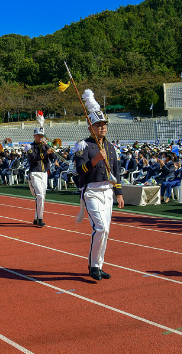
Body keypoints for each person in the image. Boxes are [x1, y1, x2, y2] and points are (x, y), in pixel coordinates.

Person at [75, 89, 123, 281]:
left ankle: (98, 264)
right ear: (90, 128)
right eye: (98, 125)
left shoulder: (110, 147)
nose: (102, 128)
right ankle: (93, 265)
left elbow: (116, 172)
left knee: (107, 231)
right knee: (100, 228)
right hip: (91, 191)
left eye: (104, 125)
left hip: (107, 192)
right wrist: (95, 160)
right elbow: (79, 170)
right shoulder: (83, 146)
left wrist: (118, 193)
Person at [27, 111, 56, 227]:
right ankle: (40, 218)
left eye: (42, 136)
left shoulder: (46, 145)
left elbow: (53, 157)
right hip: (35, 173)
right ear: (34, 136)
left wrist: (49, 148)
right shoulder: (30, 146)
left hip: (44, 173)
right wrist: (45, 152)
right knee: (39, 195)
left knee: (42, 196)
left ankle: (36, 217)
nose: (41, 138)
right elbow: (33, 158)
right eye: (39, 136)